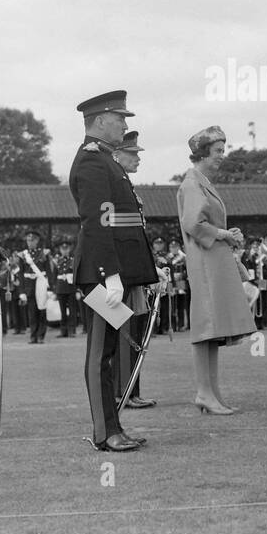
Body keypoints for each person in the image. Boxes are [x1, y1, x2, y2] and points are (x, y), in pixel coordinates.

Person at [69, 91, 158, 453]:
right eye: (120, 118)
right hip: (101, 272)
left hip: (111, 270)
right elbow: (98, 223)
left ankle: (114, 426)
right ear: (101, 120)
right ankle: (105, 432)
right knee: (100, 355)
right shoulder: (93, 163)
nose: (125, 124)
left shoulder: (106, 161)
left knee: (108, 353)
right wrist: (110, 275)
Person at [177, 125, 254, 415]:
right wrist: (223, 234)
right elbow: (193, 224)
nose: (222, 156)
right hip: (205, 263)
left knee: (213, 329)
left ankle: (211, 393)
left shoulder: (201, 182)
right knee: (205, 327)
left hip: (213, 261)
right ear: (202, 154)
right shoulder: (192, 183)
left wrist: (226, 233)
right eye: (217, 151)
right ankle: (204, 393)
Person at [114, 130, 157, 409]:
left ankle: (132, 389)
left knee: (136, 331)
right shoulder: (114, 188)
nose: (138, 158)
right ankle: (123, 391)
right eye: (133, 154)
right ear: (117, 155)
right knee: (123, 332)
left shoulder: (128, 188)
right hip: (120, 272)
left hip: (134, 271)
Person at [17, 229, 50, 344]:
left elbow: (49, 272)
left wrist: (50, 288)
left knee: (42, 311)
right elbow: (20, 274)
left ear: (37, 241)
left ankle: (41, 335)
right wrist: (21, 291)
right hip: (29, 286)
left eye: (32, 240)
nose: (30, 242)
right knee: (32, 313)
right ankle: (33, 336)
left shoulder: (44, 253)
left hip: (41, 285)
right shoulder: (23, 255)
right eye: (28, 240)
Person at [49, 239, 78, 337]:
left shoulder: (73, 260)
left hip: (71, 288)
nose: (64, 251)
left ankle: (71, 330)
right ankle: (63, 331)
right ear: (60, 250)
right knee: (62, 311)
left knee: (72, 311)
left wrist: (77, 289)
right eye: (62, 249)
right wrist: (54, 291)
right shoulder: (57, 261)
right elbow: (54, 276)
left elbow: (76, 276)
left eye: (66, 249)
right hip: (60, 288)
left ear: (69, 249)